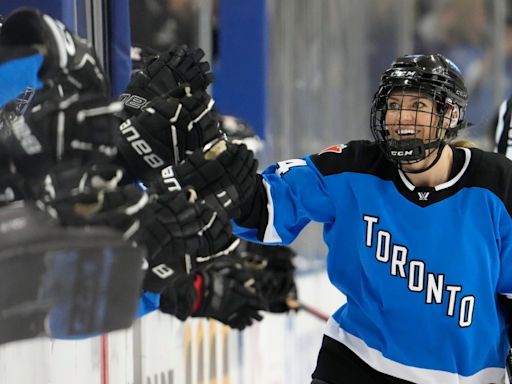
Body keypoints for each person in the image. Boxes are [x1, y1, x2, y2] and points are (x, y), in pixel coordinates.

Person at [170, 53, 512, 383]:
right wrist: (216, 176)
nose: (401, 117)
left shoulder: (497, 184)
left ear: (449, 115)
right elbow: (267, 205)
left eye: (418, 107)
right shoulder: (353, 167)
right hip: (357, 365)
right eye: (394, 105)